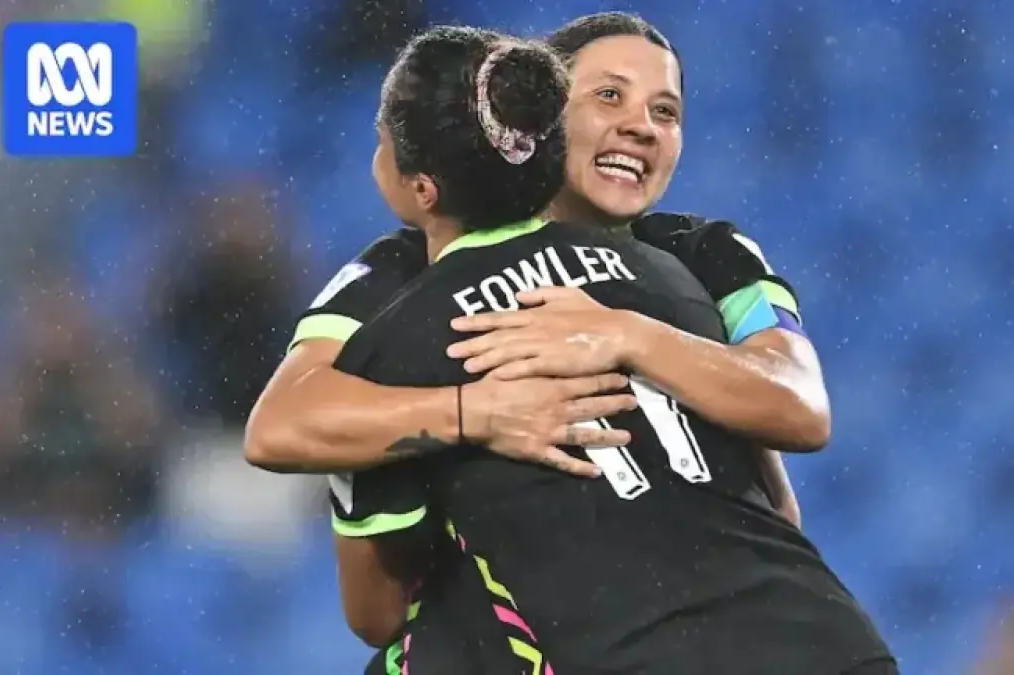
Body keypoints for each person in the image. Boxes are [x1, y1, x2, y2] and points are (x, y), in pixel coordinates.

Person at [322, 22, 895, 675]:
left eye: (666, 112)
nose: (642, 126)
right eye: (609, 96)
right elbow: (290, 418)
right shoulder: (403, 278)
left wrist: (627, 333)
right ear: (537, 120)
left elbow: (800, 409)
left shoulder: (701, 255)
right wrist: (468, 416)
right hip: (814, 640)